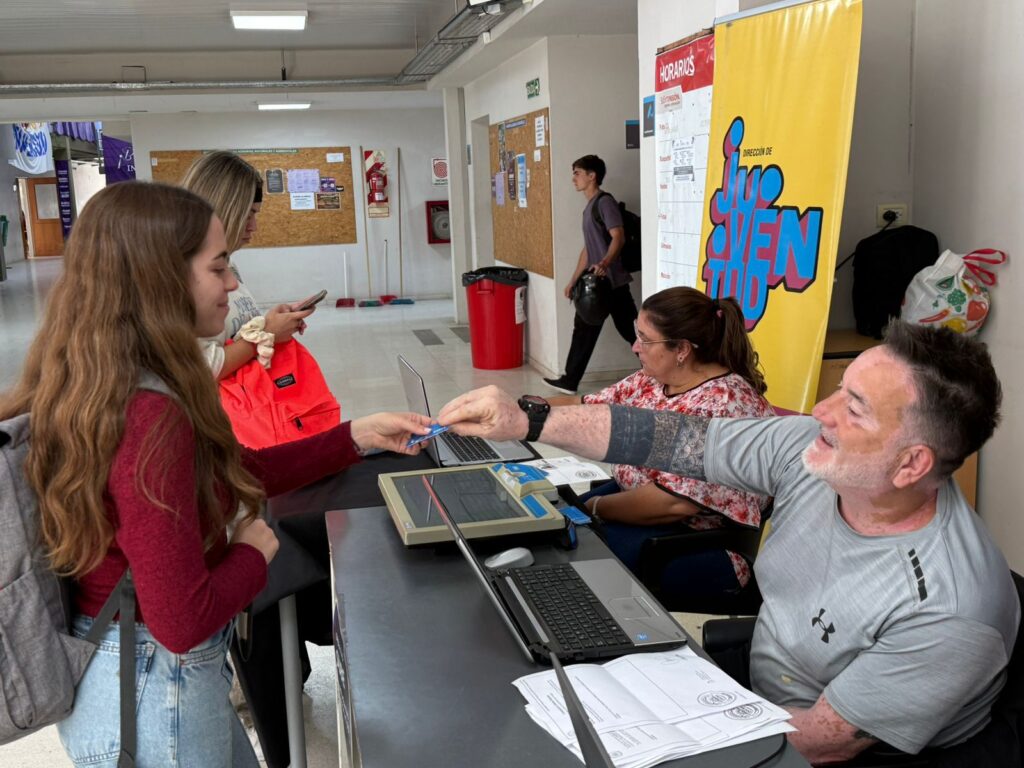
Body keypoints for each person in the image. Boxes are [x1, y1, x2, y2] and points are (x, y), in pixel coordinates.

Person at [438, 321, 1020, 764]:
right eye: (840, 391)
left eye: (855, 409)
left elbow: (826, 742)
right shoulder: (811, 453)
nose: (821, 411)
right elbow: (669, 439)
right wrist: (530, 421)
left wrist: (663, 742)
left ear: (912, 463)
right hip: (757, 689)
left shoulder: (950, 608)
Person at [0, 181, 432, 768]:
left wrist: (354, 436)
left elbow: (223, 476)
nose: (232, 284)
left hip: (133, 673)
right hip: (154, 692)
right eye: (218, 267)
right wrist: (252, 553)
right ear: (160, 278)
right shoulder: (150, 416)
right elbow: (181, 620)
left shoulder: (104, 377)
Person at [551, 287, 774, 600]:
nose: (635, 347)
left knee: (569, 564)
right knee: (550, 525)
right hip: (639, 506)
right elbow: (586, 406)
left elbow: (672, 503)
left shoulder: (719, 407)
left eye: (645, 339)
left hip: (694, 540)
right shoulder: (654, 378)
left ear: (681, 349)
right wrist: (519, 412)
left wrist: (595, 507)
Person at [180, 150, 311, 379]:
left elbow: (234, 332)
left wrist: (270, 323)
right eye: (248, 214)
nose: (253, 227)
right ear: (222, 209)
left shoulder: (227, 263)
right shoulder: (182, 277)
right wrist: (267, 334)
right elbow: (200, 369)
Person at [543, 154, 638, 395]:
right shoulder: (589, 207)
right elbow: (588, 249)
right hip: (596, 284)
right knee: (584, 329)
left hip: (612, 283)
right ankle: (570, 380)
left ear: (592, 175)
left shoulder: (605, 203)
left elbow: (618, 236)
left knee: (631, 331)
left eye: (577, 173)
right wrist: (573, 280)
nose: (573, 178)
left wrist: (605, 262)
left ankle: (661, 372)